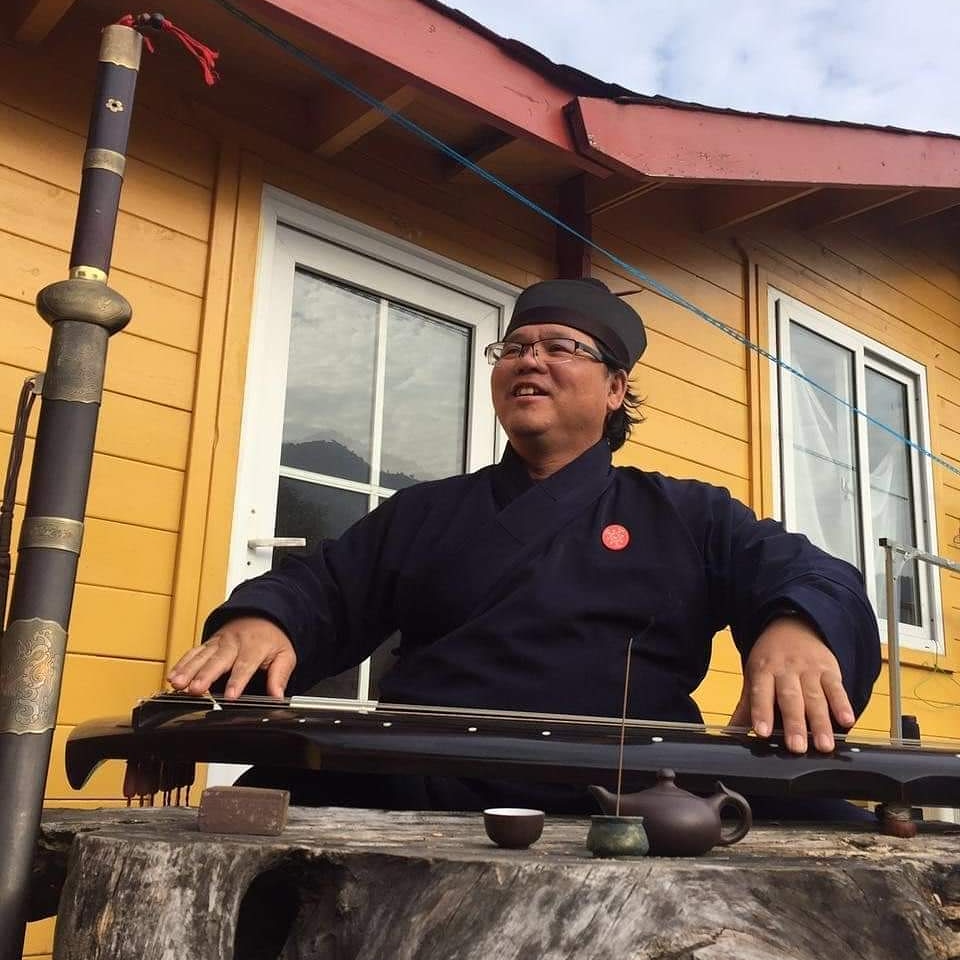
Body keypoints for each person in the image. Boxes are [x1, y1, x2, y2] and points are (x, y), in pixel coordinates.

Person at [168, 278, 881, 813]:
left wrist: (797, 626)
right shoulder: (425, 511)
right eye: (514, 348)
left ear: (615, 388)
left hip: (627, 792)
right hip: (421, 777)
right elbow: (323, 586)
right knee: (243, 813)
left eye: (559, 348)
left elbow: (807, 572)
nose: (528, 360)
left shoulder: (687, 513)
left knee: (840, 833)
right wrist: (265, 619)